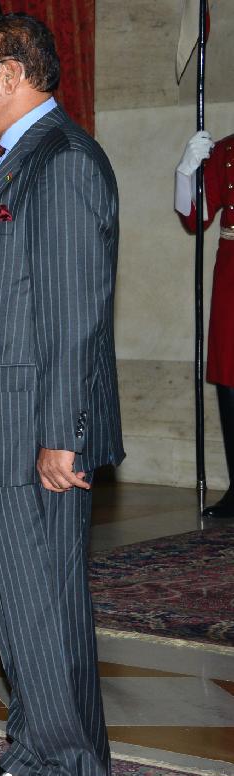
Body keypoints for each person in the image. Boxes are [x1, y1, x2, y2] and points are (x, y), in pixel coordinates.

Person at [0, 14, 122, 776]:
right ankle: (33, 753)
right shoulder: (13, 159)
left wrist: (62, 435)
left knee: (46, 603)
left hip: (33, 431)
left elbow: (74, 313)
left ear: (11, 75)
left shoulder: (63, 160)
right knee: (17, 605)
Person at [176, 129, 234, 517]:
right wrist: (186, 172)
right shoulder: (226, 150)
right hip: (232, 269)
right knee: (229, 375)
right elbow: (196, 218)